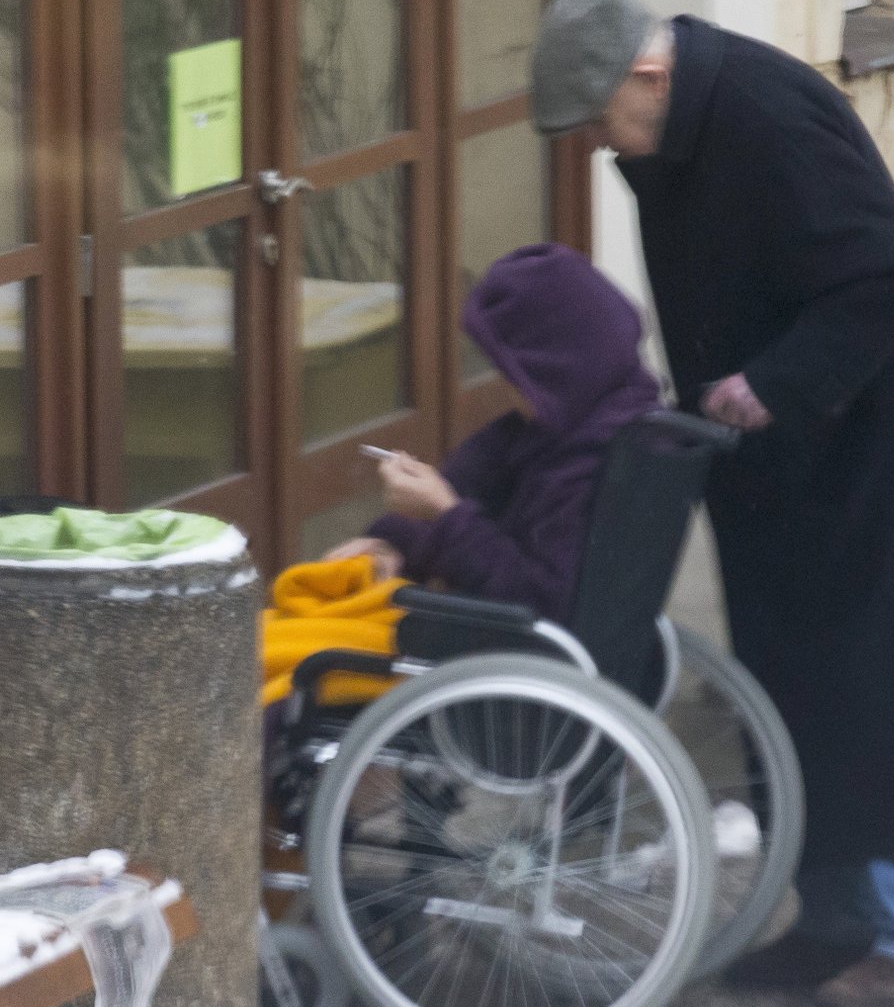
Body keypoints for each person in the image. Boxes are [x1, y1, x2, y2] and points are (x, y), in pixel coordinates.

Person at [529, 0, 894, 1007]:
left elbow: (887, 272)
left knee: (889, 679)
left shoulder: (767, 114)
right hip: (783, 447)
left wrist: (773, 383)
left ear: (648, 74)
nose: (594, 142)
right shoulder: (683, 121)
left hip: (878, 436)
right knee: (799, 679)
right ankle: (840, 918)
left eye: (598, 117)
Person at [262, 241, 661, 711]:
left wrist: (444, 515)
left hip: (507, 659)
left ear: (556, 365)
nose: (504, 383)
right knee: (280, 627)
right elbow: (465, 481)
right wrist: (392, 540)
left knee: (283, 670)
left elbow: (540, 602)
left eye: (512, 371)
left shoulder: (591, 461)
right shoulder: (565, 419)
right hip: (480, 630)